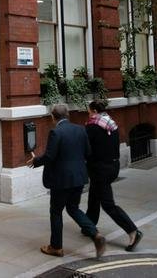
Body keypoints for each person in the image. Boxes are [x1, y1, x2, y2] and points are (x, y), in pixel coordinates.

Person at [28, 104, 106, 258]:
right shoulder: (80, 129)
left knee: (56, 211)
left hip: (61, 180)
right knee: (73, 208)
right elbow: (88, 152)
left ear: (53, 117)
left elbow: (50, 156)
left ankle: (56, 247)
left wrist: (35, 160)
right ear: (68, 115)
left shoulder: (56, 132)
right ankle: (95, 234)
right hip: (79, 177)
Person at [84, 99, 143, 252]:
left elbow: (86, 147)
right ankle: (88, 225)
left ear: (94, 111)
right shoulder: (111, 123)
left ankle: (132, 231)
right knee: (94, 194)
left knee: (108, 204)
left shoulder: (92, 126)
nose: (88, 114)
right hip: (113, 166)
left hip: (100, 169)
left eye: (89, 111)